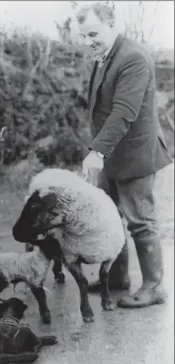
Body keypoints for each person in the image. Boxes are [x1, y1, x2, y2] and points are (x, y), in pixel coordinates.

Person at [76, 2, 172, 308]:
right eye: (83, 35)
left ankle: (155, 287)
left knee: (140, 221)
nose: (87, 41)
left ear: (111, 23)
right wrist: (100, 152)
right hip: (113, 155)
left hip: (135, 155)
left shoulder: (132, 57)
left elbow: (123, 112)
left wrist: (96, 151)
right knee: (111, 217)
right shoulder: (104, 55)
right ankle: (118, 278)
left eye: (92, 33)